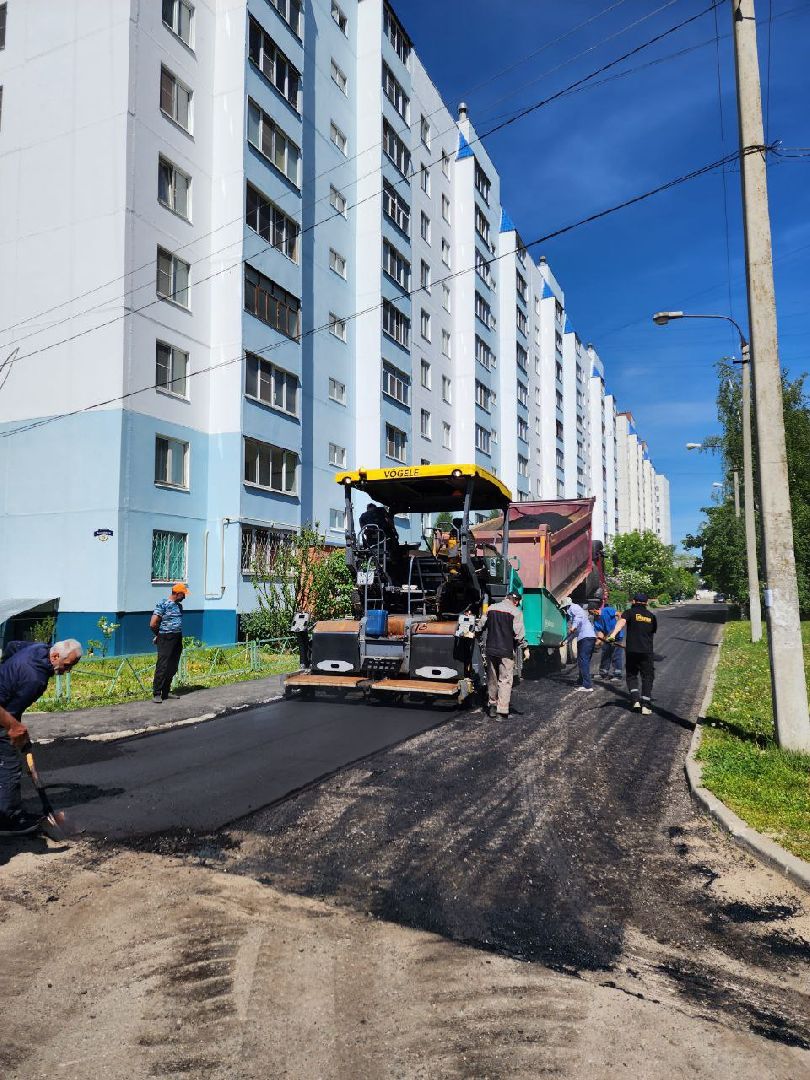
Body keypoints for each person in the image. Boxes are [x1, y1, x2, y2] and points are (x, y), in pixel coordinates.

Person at [0, 639, 83, 836]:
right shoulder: (35, 679)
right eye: (67, 665)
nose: (67, 671)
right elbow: (10, 717)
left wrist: (5, 672)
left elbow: (12, 646)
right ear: (55, 657)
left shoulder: (38, 648)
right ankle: (7, 819)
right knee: (9, 765)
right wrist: (17, 732)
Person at [477, 590, 529, 721]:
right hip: (506, 651)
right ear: (516, 601)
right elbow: (519, 634)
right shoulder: (516, 612)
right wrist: (525, 648)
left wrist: (474, 632)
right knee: (505, 680)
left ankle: (492, 706)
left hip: (491, 650)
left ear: (507, 597)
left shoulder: (491, 608)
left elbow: (480, 626)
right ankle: (502, 711)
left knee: (492, 679)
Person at [607, 593, 658, 714]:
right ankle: (645, 705)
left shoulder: (629, 612)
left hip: (631, 651)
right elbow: (651, 632)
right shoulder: (651, 616)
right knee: (647, 676)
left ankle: (635, 700)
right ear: (646, 603)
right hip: (646, 652)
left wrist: (613, 635)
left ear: (634, 601)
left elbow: (621, 623)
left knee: (631, 675)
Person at [150, 583, 189, 703]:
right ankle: (157, 693)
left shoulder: (179, 606)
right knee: (163, 665)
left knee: (173, 666)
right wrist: (159, 635)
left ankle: (166, 692)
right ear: (177, 594)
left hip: (177, 637)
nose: (185, 597)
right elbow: (153, 623)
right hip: (165, 637)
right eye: (183, 595)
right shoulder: (163, 604)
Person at [560, 596, 597, 693]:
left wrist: (573, 626)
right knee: (583, 661)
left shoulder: (574, 607)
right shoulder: (573, 615)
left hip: (586, 638)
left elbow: (578, 617)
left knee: (583, 660)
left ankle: (587, 685)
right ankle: (581, 681)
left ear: (566, 606)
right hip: (586, 637)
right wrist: (565, 641)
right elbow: (574, 633)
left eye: (564, 608)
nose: (564, 610)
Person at [594, 602, 624, 681]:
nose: (591, 613)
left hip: (617, 635)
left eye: (592, 611)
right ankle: (603, 673)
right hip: (607, 637)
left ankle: (617, 675)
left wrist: (618, 625)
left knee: (616, 655)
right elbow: (600, 633)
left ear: (595, 609)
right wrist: (597, 644)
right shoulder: (596, 620)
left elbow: (619, 614)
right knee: (605, 654)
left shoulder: (607, 610)